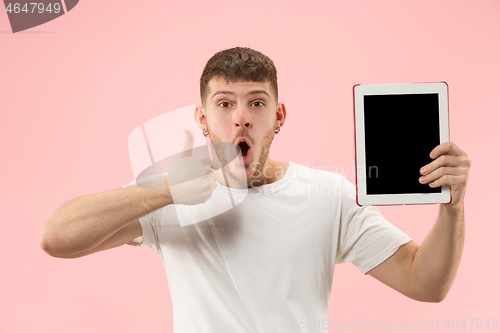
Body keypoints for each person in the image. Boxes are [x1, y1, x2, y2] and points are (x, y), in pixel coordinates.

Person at [39, 47, 471, 333]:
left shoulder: (328, 194)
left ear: (279, 115)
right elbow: (56, 238)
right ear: (203, 118)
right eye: (225, 103)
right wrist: (164, 191)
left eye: (257, 103)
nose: (241, 118)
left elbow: (425, 282)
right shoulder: (168, 191)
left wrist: (452, 208)